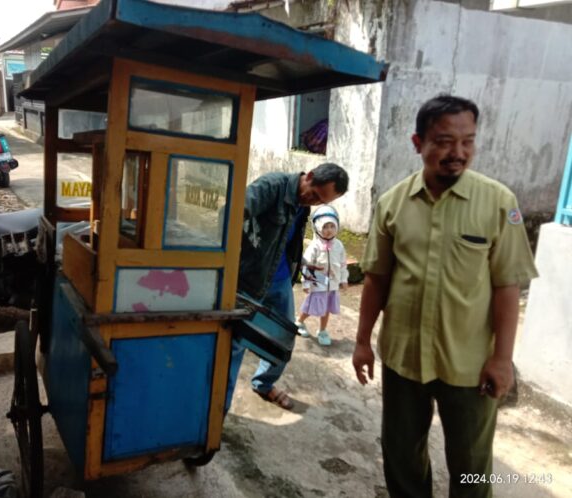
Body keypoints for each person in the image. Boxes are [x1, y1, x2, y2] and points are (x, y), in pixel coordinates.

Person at [351, 95, 538, 498]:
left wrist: (502, 359)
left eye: (467, 141)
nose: (458, 153)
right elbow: (377, 280)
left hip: (469, 367)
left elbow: (508, 285)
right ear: (418, 143)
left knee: (471, 467)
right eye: (444, 141)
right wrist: (363, 341)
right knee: (401, 457)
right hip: (403, 359)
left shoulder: (498, 203)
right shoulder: (392, 204)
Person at [226, 162, 349, 411]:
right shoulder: (272, 186)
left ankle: (262, 383)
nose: (313, 202)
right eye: (314, 194)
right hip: (248, 280)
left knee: (282, 341)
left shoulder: (304, 205)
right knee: (234, 346)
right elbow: (229, 215)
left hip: (280, 280)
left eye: (320, 202)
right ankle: (219, 411)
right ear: (310, 176)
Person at [295, 204, 349, 346]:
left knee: (327, 308)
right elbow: (306, 265)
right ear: (317, 227)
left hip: (332, 284)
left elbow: (343, 264)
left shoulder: (339, 246)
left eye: (332, 226)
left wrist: (343, 279)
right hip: (318, 283)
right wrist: (306, 282)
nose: (328, 230)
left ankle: (323, 330)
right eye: (325, 226)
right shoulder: (314, 246)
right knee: (311, 307)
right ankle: (299, 322)